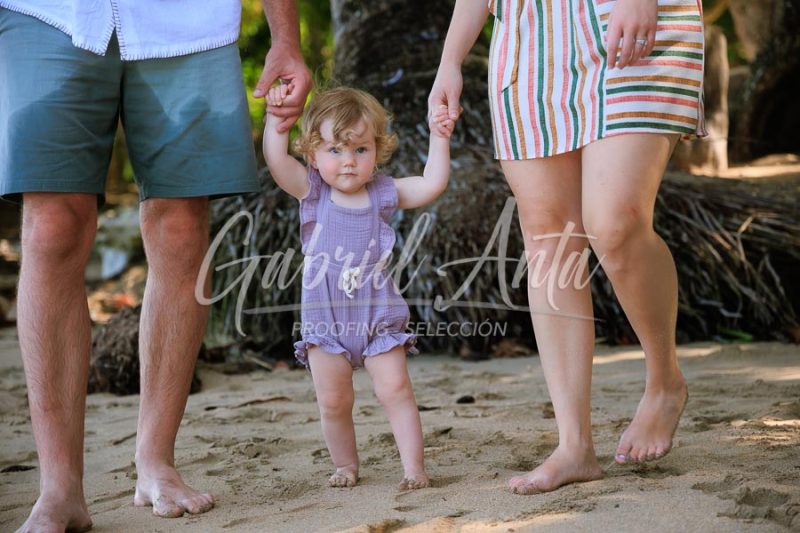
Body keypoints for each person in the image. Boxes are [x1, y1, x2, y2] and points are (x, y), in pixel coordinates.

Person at [0, 1, 311, 530]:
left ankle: (156, 461)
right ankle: (59, 489)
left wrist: (285, 35)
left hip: (187, 21)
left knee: (182, 227)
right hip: (47, 12)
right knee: (53, 226)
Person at [429, 0, 705, 494]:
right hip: (529, 38)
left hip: (624, 18)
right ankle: (574, 445)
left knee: (615, 222)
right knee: (549, 240)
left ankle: (664, 380)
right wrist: (451, 60)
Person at [263, 85, 454, 490]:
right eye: (335, 150)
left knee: (396, 389)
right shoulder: (312, 192)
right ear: (313, 155)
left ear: (377, 151)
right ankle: (345, 465)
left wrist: (440, 137)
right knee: (333, 401)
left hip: (377, 316)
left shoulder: (383, 193)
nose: (348, 162)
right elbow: (276, 160)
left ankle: (414, 468)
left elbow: (431, 183)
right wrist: (276, 119)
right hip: (326, 319)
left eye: (360, 150)